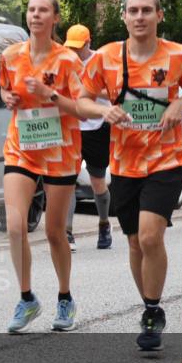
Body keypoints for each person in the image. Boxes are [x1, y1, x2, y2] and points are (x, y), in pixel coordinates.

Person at [79, 0, 182, 350]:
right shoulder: (105, 57)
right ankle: (150, 305)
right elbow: (82, 100)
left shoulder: (178, 55)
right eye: (133, 11)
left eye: (146, 10)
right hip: (124, 163)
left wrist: (180, 105)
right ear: (124, 17)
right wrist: (104, 111)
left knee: (151, 236)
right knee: (134, 242)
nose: (139, 17)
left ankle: (152, 311)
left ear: (159, 15)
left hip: (166, 158)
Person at [0, 0, 95, 334]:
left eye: (43, 10)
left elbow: (82, 108)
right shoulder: (11, 57)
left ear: (55, 18)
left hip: (60, 150)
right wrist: (7, 97)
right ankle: (26, 298)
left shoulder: (68, 61)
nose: (36, 15)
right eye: (31, 9)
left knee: (54, 231)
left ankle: (65, 297)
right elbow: (5, 91)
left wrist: (49, 94)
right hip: (22, 147)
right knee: (15, 225)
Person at [63, 24, 113, 251]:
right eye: (70, 47)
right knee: (68, 180)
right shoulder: (65, 60)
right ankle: (67, 233)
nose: (74, 52)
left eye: (78, 47)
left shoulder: (101, 61)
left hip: (97, 126)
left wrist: (87, 90)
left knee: (97, 181)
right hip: (72, 126)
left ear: (88, 43)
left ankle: (103, 223)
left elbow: (113, 91)